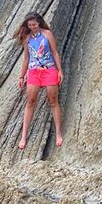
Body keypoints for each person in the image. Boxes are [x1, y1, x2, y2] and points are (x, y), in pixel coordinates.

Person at [13, 12, 64, 150]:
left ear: (39, 22)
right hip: (34, 72)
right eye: (30, 25)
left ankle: (59, 133)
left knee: (53, 100)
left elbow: (54, 52)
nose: (32, 27)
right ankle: (23, 136)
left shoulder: (47, 34)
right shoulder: (27, 38)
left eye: (34, 24)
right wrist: (21, 76)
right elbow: (26, 59)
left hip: (49, 69)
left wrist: (60, 70)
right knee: (30, 102)